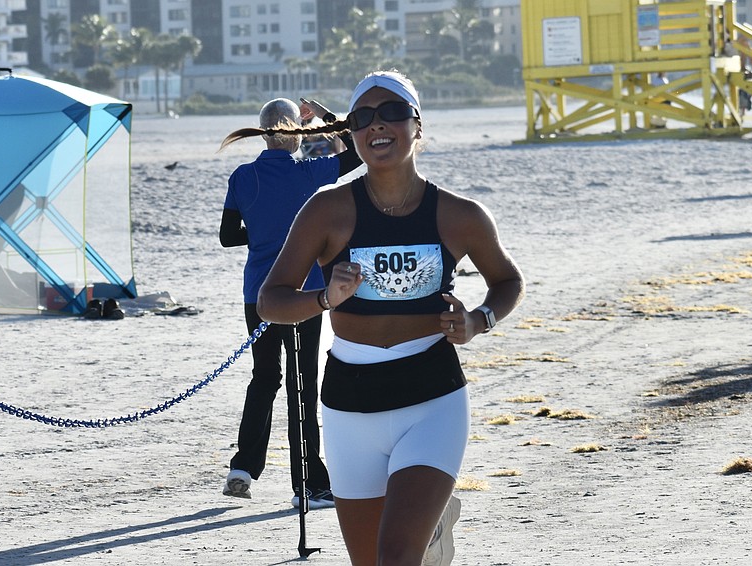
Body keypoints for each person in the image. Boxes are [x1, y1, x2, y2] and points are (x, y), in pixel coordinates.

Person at [247, 70, 525, 565]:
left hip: (432, 398)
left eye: (393, 112)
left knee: (396, 555)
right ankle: (432, 533)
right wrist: (324, 299)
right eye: (364, 117)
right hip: (349, 405)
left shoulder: (460, 215)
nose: (379, 125)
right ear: (352, 134)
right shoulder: (326, 211)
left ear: (418, 125)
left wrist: (479, 321)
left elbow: (508, 281)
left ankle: (424, 530)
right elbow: (270, 300)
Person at [219, 97, 362, 509]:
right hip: (303, 296)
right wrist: (321, 117)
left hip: (258, 296)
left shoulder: (243, 177)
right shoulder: (308, 174)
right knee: (303, 384)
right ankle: (310, 484)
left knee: (264, 378)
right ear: (297, 136)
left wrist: (264, 233)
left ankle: (243, 468)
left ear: (263, 133)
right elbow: (354, 151)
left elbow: (228, 236)